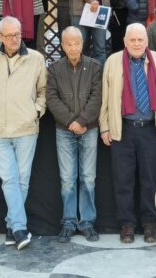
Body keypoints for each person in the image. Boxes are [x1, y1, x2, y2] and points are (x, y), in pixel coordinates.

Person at [100, 23, 156, 244]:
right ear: (124, 41)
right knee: (123, 181)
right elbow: (105, 97)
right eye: (132, 40)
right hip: (122, 130)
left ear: (147, 41)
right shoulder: (113, 61)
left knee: (150, 180)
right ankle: (127, 225)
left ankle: (150, 224)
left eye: (140, 40)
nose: (136, 44)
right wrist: (105, 126)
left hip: (152, 130)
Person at [0, 16, 47, 250]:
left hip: (26, 128)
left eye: (17, 34)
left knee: (22, 179)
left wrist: (36, 111)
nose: (15, 39)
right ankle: (19, 228)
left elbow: (43, 91)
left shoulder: (36, 59)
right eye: (9, 35)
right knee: (10, 179)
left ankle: (11, 225)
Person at [46, 27, 103, 243]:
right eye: (68, 44)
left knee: (88, 179)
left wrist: (81, 121)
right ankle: (69, 222)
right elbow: (52, 99)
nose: (73, 47)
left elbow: (97, 97)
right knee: (67, 180)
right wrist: (71, 122)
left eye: (76, 43)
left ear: (82, 44)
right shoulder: (54, 69)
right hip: (64, 130)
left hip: (89, 129)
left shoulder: (95, 67)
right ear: (62, 45)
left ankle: (87, 222)